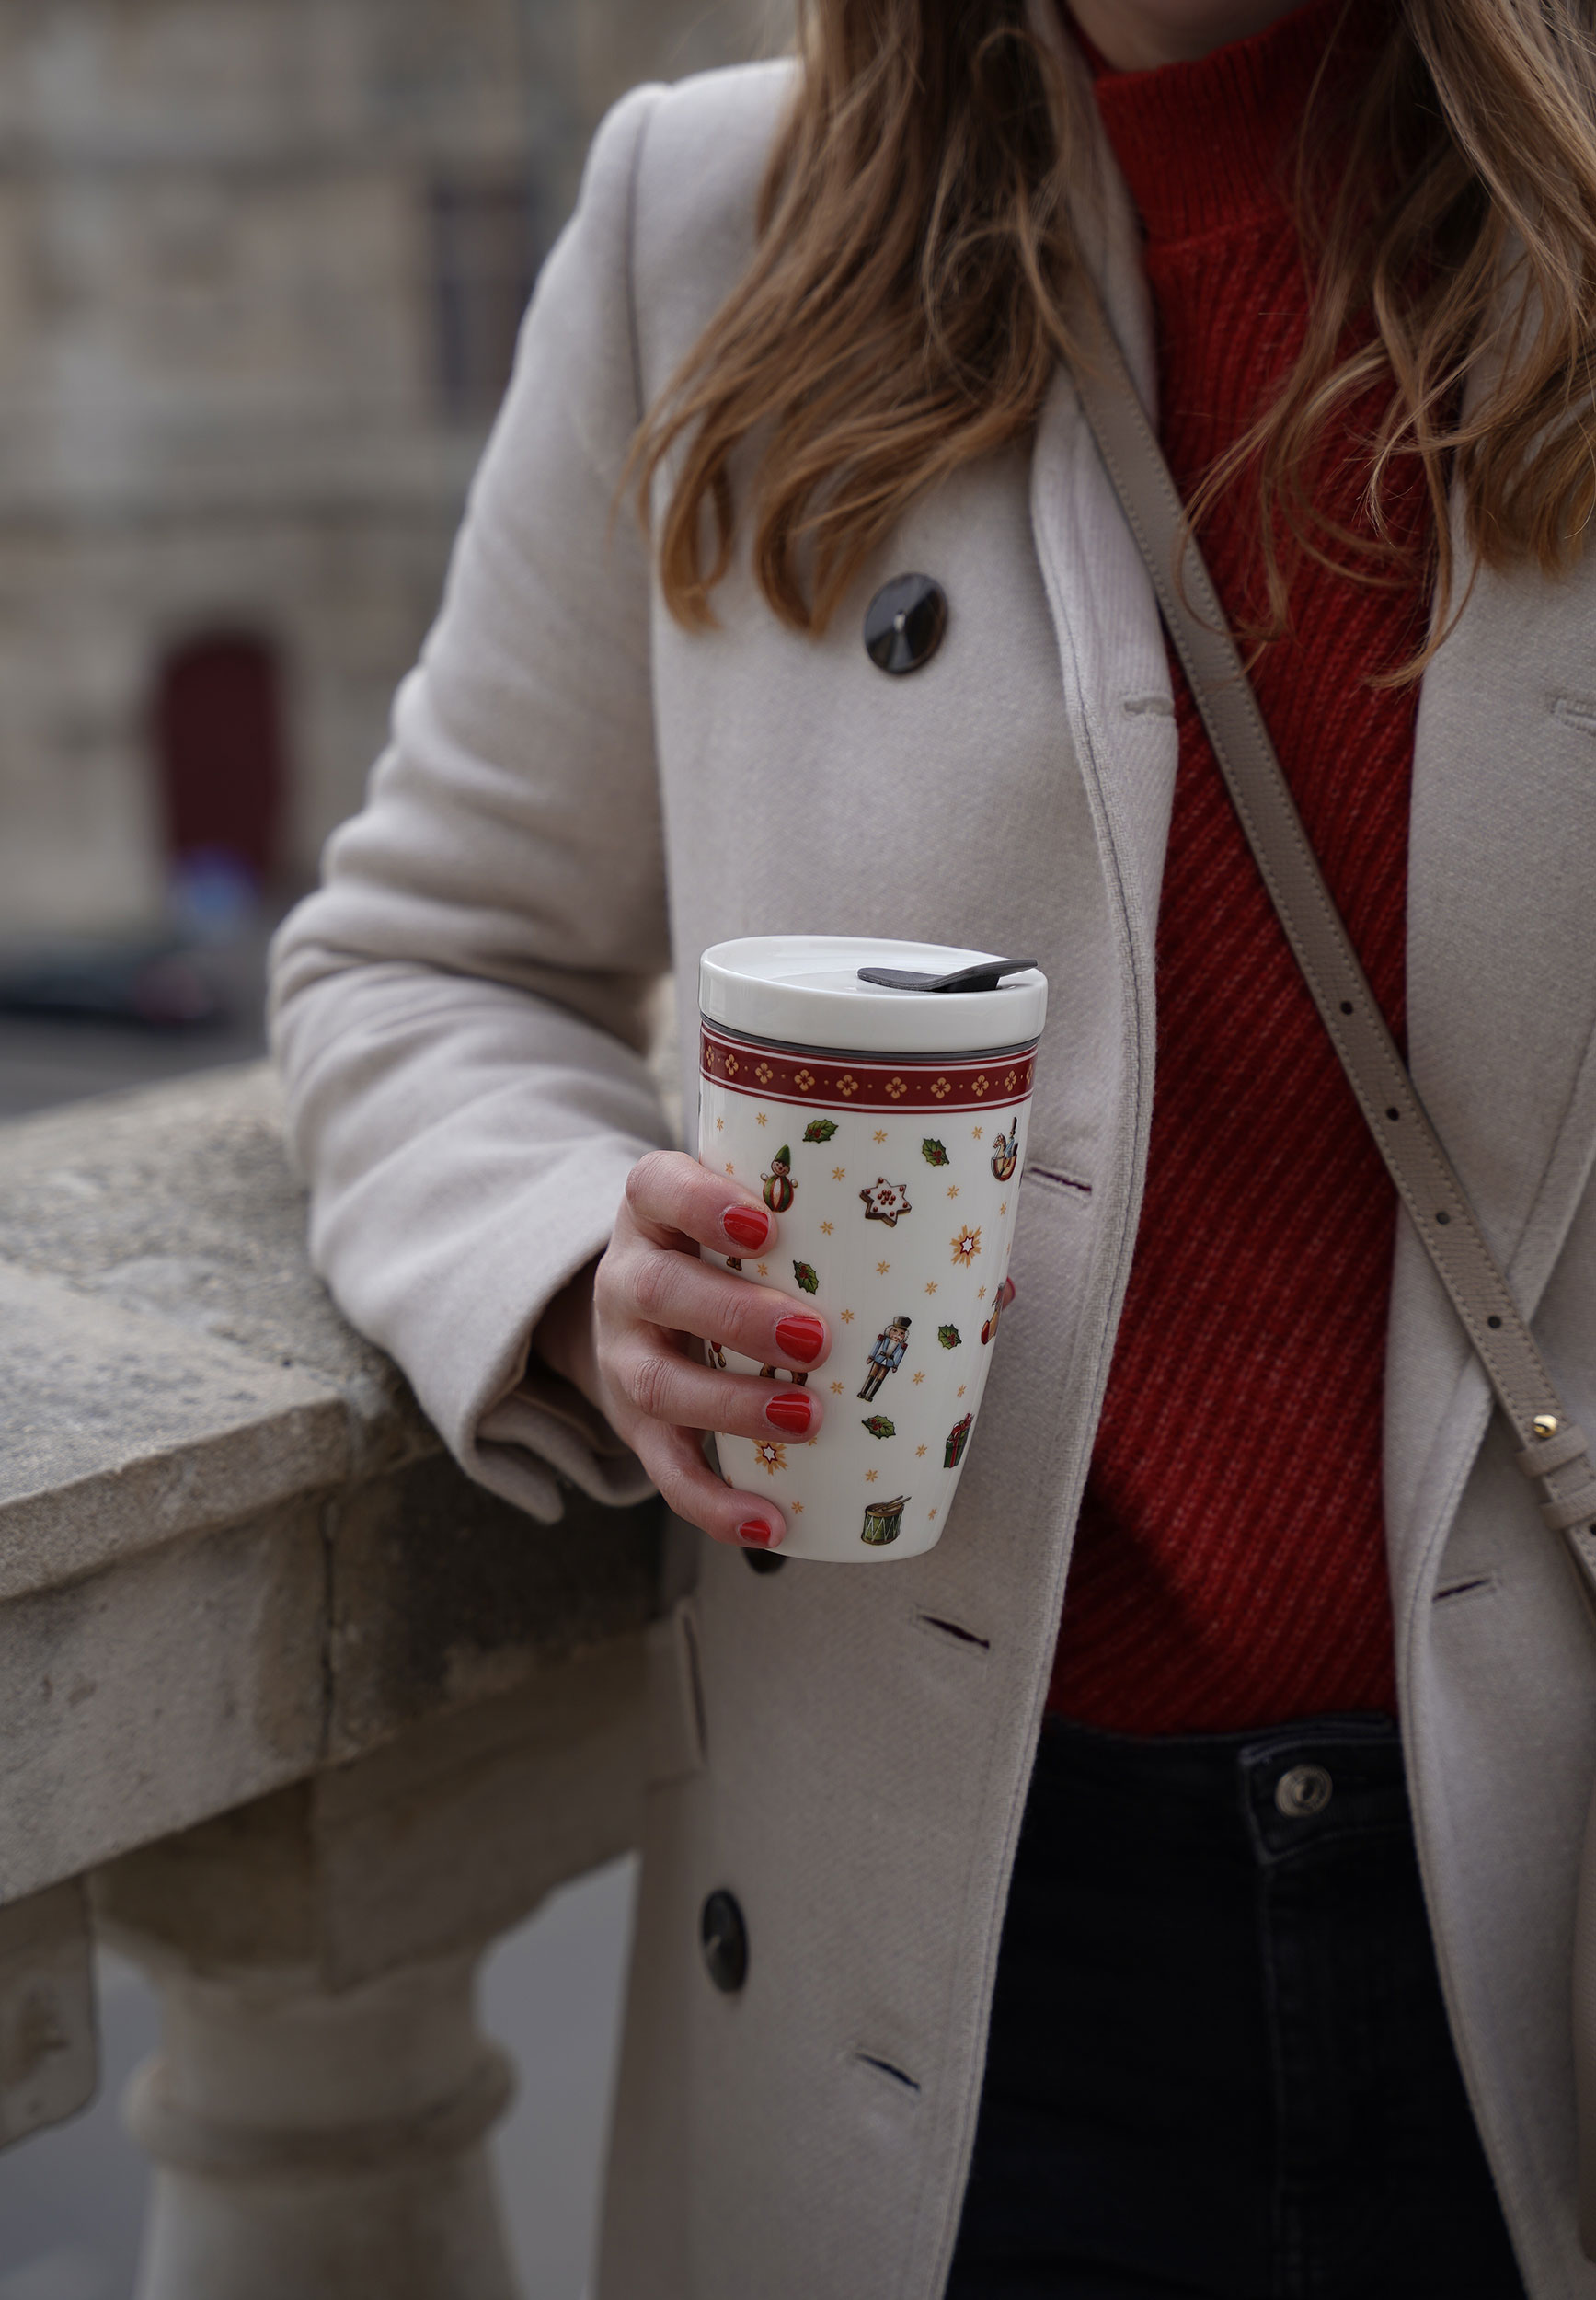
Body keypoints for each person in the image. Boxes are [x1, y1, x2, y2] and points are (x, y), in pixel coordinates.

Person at [269, 1, 1596, 2292]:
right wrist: (583, 1266)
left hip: (1551, 1860)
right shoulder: (702, 221)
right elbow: (425, 955)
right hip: (959, 1937)